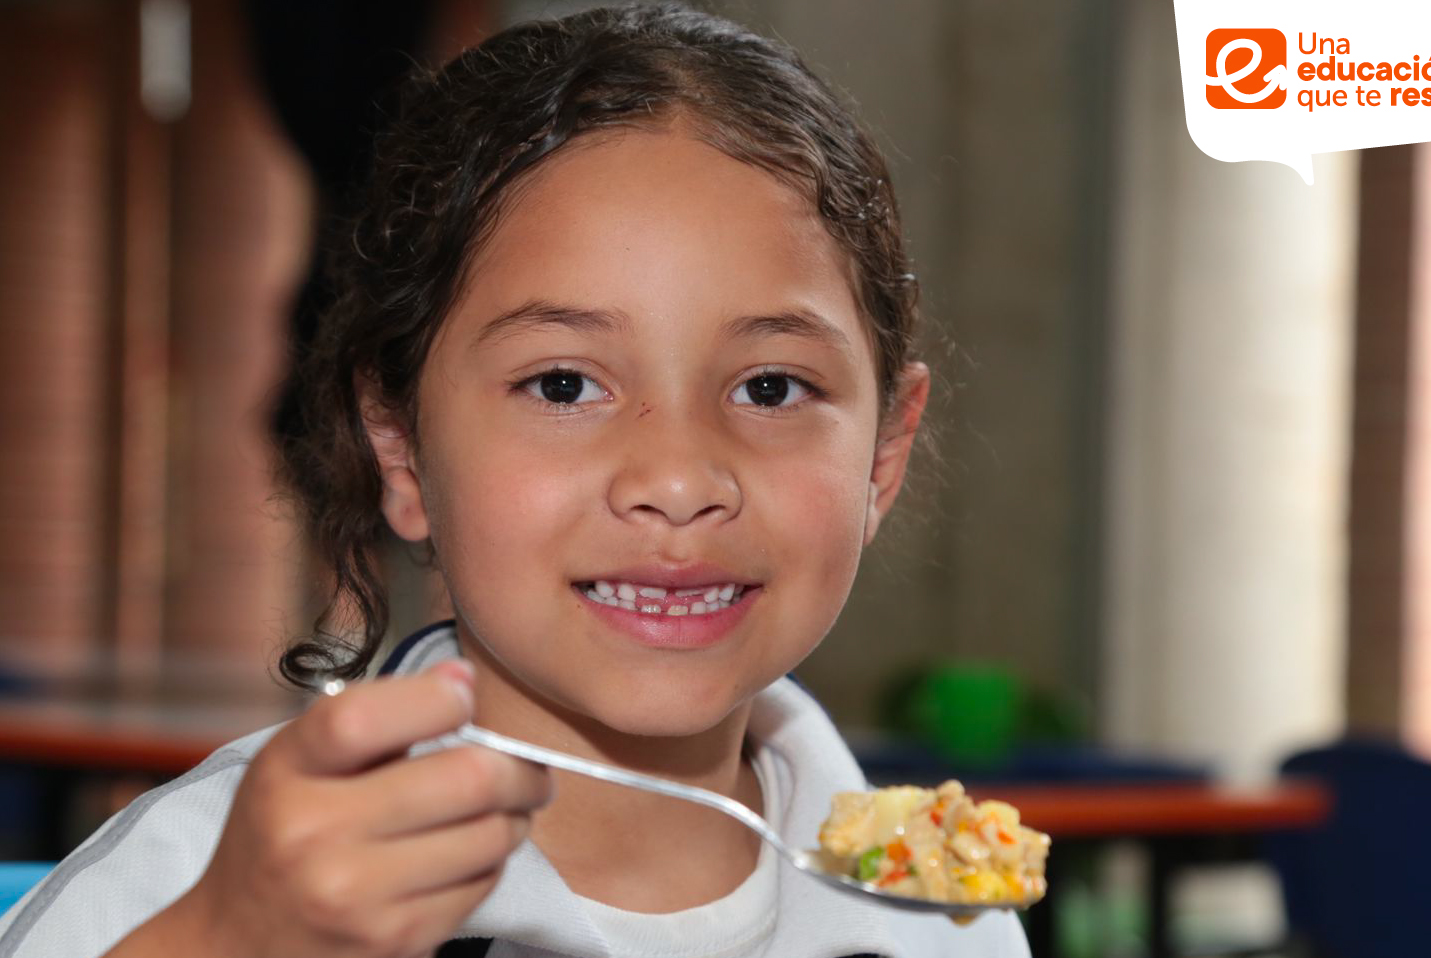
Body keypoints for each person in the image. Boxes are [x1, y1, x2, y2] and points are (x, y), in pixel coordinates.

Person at [0, 4, 1033, 956]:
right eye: (563, 382)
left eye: (770, 386)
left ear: (883, 455)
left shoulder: (943, 910)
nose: (677, 479)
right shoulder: (211, 880)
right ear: (400, 448)